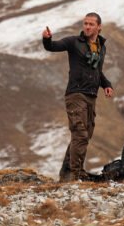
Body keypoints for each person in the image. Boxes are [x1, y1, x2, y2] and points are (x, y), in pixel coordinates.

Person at [42, 13, 114, 182]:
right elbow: (52, 46)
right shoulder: (74, 42)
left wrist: (107, 85)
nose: (87, 27)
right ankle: (76, 174)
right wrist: (46, 39)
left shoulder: (101, 47)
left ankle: (67, 173)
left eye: (91, 24)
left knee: (84, 135)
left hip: (91, 96)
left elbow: (98, 71)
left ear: (99, 27)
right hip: (76, 94)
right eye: (85, 24)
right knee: (80, 133)